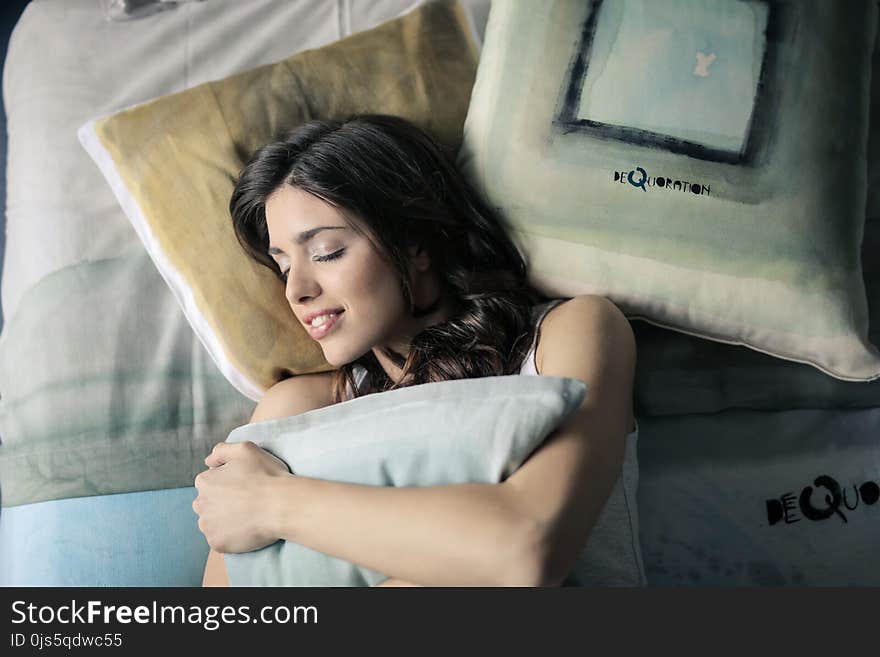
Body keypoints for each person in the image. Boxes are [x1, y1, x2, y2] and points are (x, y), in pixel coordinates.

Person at [192, 114, 639, 587]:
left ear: (415, 244)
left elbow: (525, 550)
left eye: (325, 252)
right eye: (283, 267)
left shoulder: (570, 335)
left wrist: (270, 502)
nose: (296, 291)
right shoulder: (300, 408)